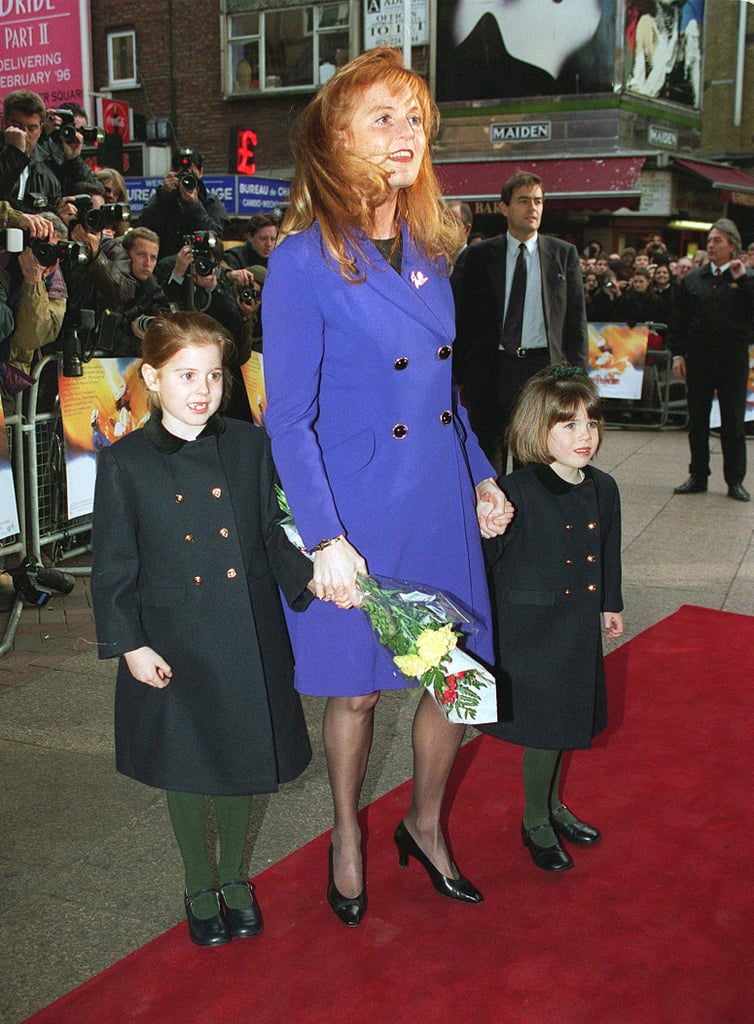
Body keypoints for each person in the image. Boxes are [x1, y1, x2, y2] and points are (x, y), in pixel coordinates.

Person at [262, 46, 512, 927]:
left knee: (453, 681)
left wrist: (481, 476)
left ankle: (425, 824)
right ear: (336, 137)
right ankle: (344, 832)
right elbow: (286, 419)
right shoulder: (300, 262)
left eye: (414, 119)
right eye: (383, 117)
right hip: (357, 517)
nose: (405, 134)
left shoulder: (431, 255)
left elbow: (443, 396)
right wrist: (326, 540)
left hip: (436, 499)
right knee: (359, 689)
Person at [91, 311, 314, 947]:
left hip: (245, 630)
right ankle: (198, 881)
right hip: (174, 636)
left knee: (245, 754)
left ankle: (234, 878)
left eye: (214, 376)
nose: (202, 389)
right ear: (151, 379)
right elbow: (114, 564)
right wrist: (130, 642)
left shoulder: (250, 446)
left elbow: (272, 532)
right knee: (187, 763)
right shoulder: (126, 462)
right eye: (186, 375)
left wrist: (318, 579)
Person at [478, 365, 623, 871]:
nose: (585, 436)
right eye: (570, 426)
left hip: (577, 623)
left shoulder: (603, 488)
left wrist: (610, 603)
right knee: (545, 726)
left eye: (592, 424)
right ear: (537, 430)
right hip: (530, 631)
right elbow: (486, 561)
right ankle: (535, 819)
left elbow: (608, 552)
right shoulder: (513, 489)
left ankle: (553, 806)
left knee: (567, 719)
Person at [454, 170, 588, 471]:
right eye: (524, 200)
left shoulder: (563, 255)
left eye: (538, 201)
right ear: (505, 207)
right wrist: (458, 375)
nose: (533, 208)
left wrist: (578, 378)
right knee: (489, 460)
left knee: (533, 461)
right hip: (491, 370)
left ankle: (528, 518)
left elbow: (575, 322)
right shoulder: (479, 256)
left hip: (541, 370)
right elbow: (465, 319)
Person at [670, 218, 754, 502]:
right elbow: (678, 320)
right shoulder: (693, 279)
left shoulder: (745, 278)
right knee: (698, 419)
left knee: (732, 421)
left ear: (732, 244)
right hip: (699, 358)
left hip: (732, 359)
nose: (712, 245)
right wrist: (678, 354)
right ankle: (698, 474)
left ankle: (735, 480)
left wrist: (743, 280)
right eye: (710, 240)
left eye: (718, 240)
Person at [139, 150, 228, 258]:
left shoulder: (209, 201)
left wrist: (195, 205)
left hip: (199, 262)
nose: (186, 182)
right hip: (165, 264)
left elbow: (216, 236)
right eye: (182, 176)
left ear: (201, 173)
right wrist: (163, 195)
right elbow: (144, 227)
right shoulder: (162, 198)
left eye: (192, 176)